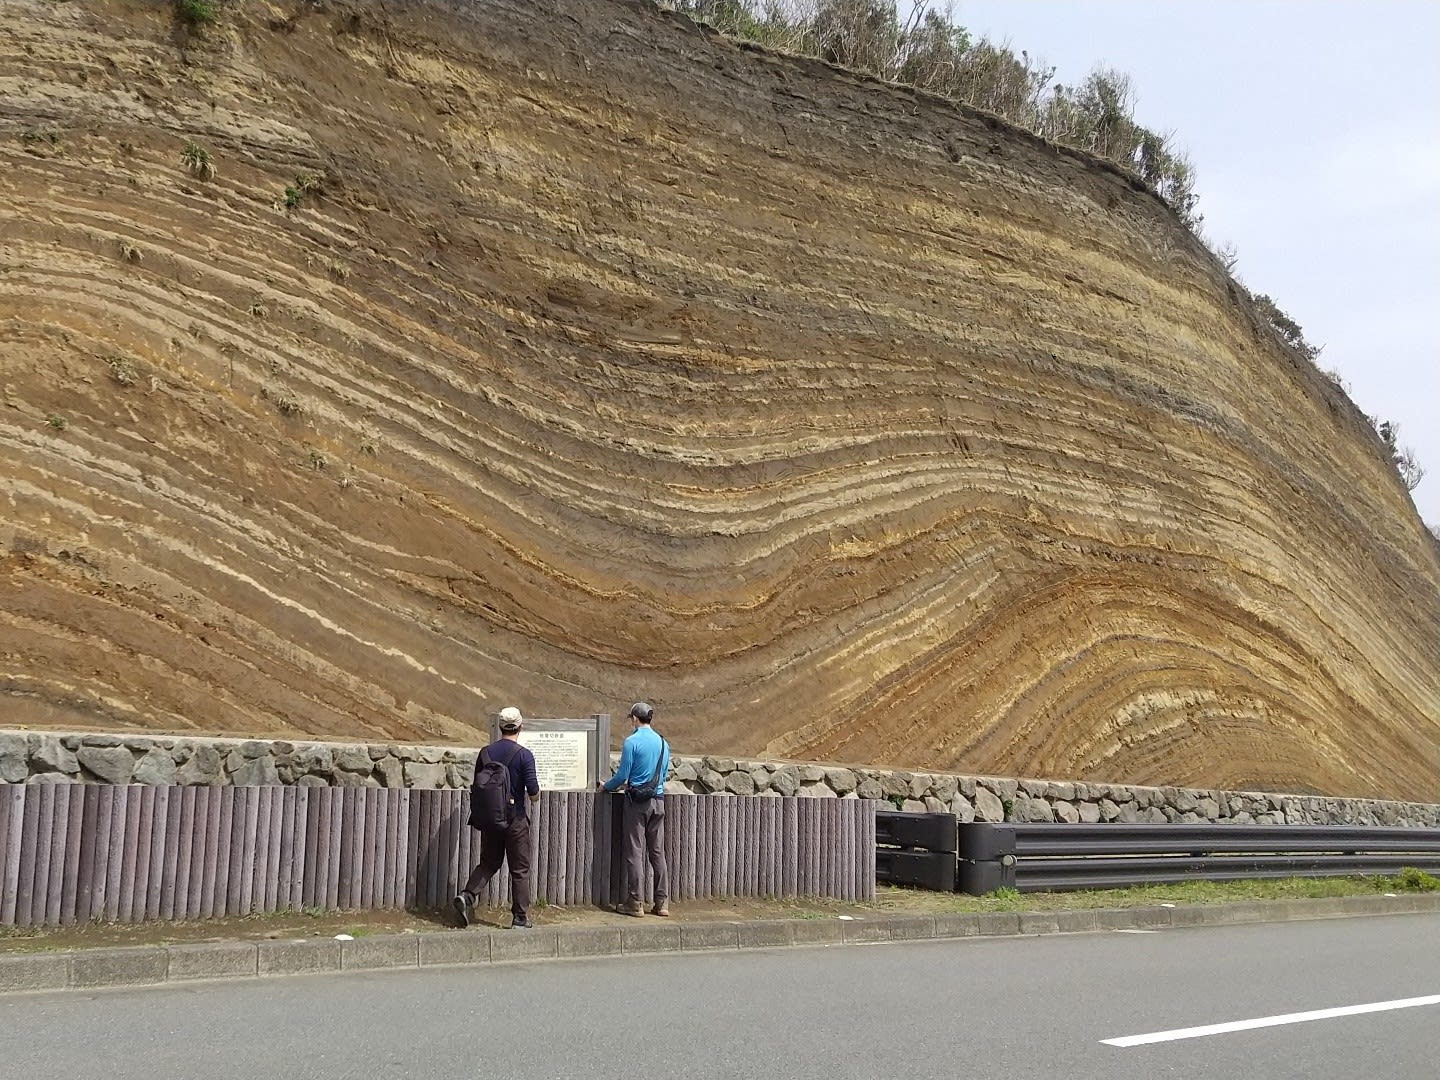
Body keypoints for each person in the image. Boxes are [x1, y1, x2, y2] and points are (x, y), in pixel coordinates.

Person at [454, 706, 539, 929]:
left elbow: (477, 785)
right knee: (519, 869)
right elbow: (533, 792)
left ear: (500, 727)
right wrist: (534, 796)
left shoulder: (485, 753)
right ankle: (520, 918)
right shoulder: (524, 755)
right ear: (520, 726)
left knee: (489, 862)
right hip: (516, 820)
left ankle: (468, 895)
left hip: (492, 820)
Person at [599, 701, 671, 917]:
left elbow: (622, 776)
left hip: (637, 803)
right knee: (657, 852)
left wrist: (606, 787)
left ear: (634, 719)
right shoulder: (663, 743)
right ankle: (662, 902)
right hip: (658, 801)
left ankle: (635, 901)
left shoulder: (632, 742)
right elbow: (664, 774)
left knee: (635, 851)